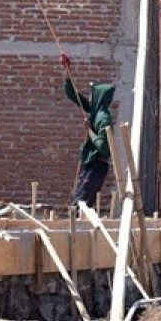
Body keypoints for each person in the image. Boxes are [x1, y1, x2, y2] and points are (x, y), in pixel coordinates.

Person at [60, 53, 115, 207]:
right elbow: (73, 95)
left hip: (97, 165)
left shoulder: (103, 118)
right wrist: (67, 70)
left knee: (80, 203)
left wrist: (89, 130)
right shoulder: (94, 110)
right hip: (91, 164)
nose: (90, 97)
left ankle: (75, 229)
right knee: (80, 202)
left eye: (92, 94)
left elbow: (104, 146)